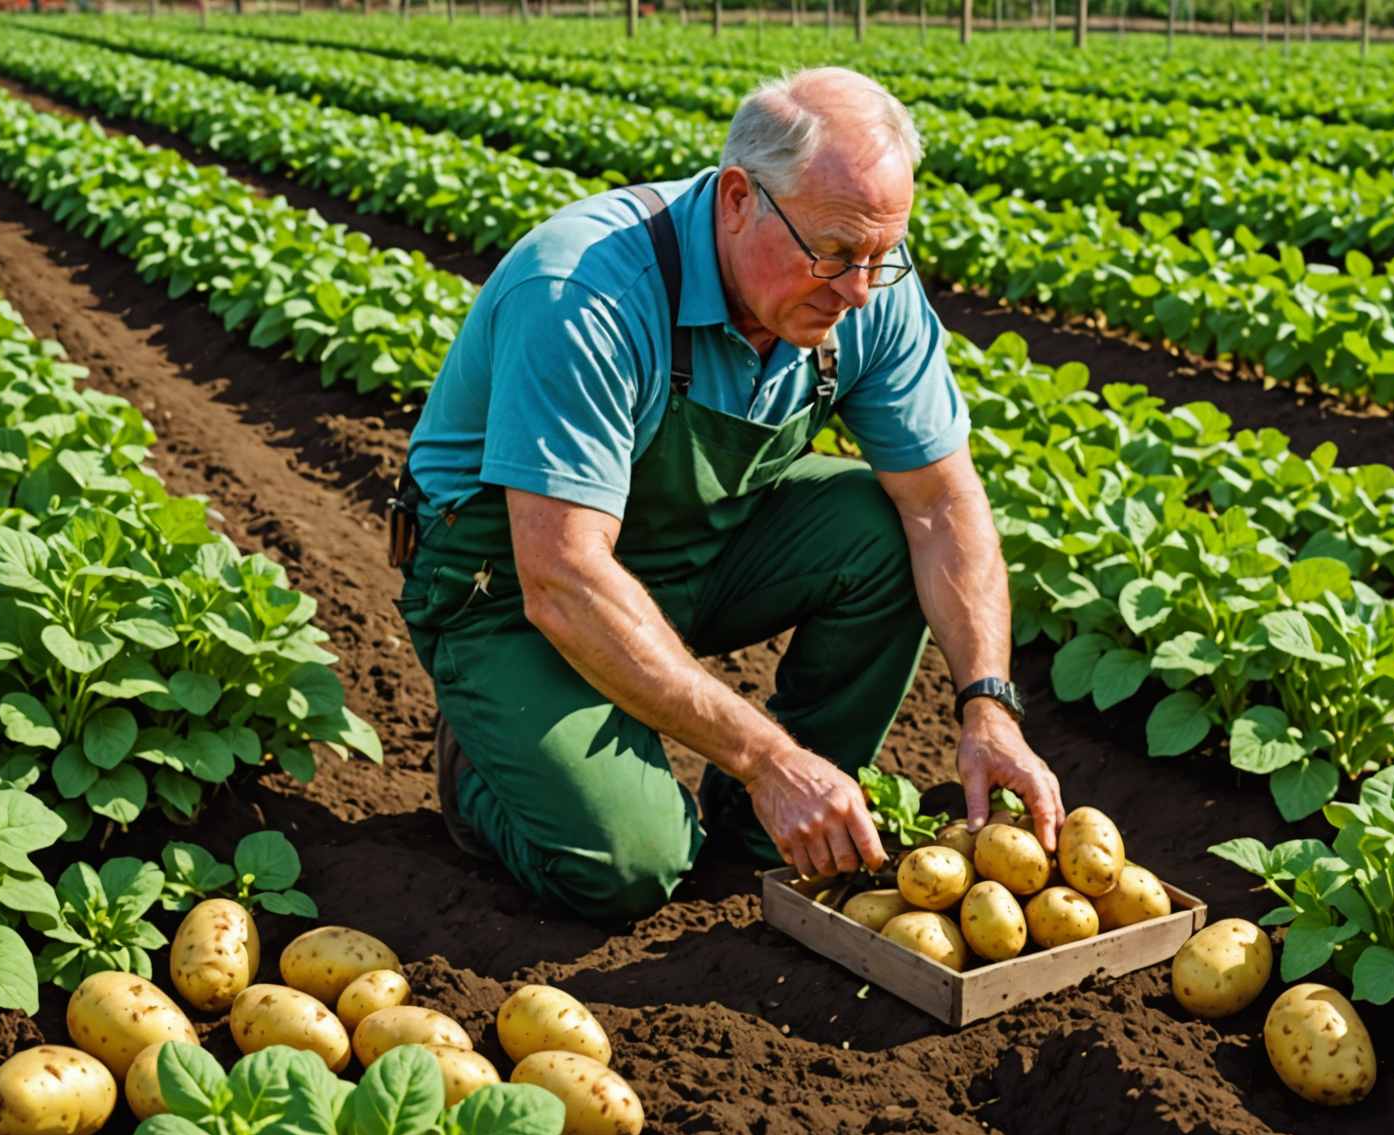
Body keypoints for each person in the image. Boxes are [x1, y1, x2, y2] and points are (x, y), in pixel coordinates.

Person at [392, 66, 1062, 921]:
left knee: (883, 524)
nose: (857, 290)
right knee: (629, 866)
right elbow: (560, 576)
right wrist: (765, 755)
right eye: (831, 253)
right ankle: (480, 768)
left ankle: (775, 834)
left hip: (691, 547)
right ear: (739, 198)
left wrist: (989, 707)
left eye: (880, 256)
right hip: (515, 585)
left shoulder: (863, 284)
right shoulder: (584, 293)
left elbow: (941, 504)